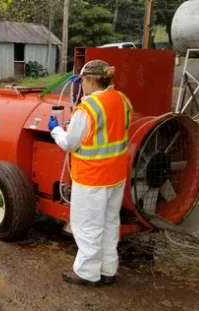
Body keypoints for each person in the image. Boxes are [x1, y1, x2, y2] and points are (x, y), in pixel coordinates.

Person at [48, 60, 133, 286]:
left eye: (83, 81)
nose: (82, 85)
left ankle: (87, 272)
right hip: (116, 176)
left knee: (87, 226)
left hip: (92, 178)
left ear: (92, 80)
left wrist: (55, 130)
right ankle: (107, 269)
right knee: (109, 223)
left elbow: (70, 143)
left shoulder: (87, 109)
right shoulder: (123, 101)